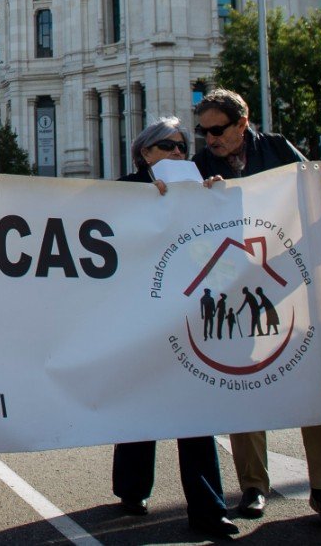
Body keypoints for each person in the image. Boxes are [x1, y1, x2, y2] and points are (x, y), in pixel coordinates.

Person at [188, 88, 321, 528]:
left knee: (312, 383)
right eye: (204, 132)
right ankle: (254, 487)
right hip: (238, 289)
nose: (210, 140)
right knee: (245, 385)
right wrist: (201, 197)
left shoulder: (279, 150)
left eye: (218, 130)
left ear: (243, 123)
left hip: (291, 283)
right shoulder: (202, 167)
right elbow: (184, 221)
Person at [111, 118, 238, 538]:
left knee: (194, 413)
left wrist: (214, 199)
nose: (179, 154)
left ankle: (209, 509)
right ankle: (132, 489)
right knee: (140, 407)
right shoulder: (124, 188)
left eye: (184, 147)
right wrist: (144, 203)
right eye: (168, 146)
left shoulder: (199, 187)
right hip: (137, 318)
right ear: (145, 153)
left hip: (186, 316)